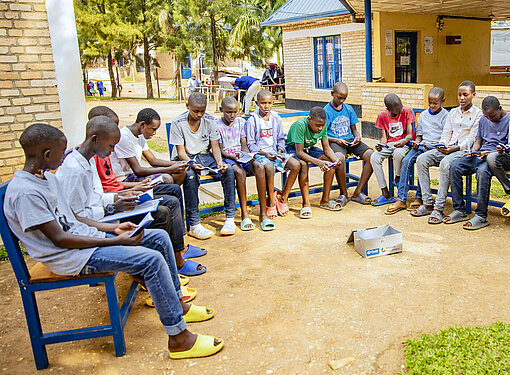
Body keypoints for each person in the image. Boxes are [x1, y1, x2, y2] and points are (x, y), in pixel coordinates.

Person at [4, 123, 224, 360]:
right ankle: (178, 337)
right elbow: (60, 238)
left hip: (87, 240)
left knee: (158, 238)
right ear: (47, 155)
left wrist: (113, 228)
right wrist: (115, 241)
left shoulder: (47, 179)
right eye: (61, 152)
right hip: (70, 256)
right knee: (150, 261)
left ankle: (178, 306)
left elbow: (74, 217)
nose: (64, 156)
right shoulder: (26, 191)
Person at [56, 115, 206, 282]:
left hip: (107, 212)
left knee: (170, 200)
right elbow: (77, 217)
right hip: (98, 226)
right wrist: (113, 207)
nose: (113, 151)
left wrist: (120, 196)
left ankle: (174, 256)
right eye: (111, 145)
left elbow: (96, 196)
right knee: (162, 212)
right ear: (95, 139)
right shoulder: (74, 171)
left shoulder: (88, 160)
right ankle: (165, 268)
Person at [170, 92, 237, 239]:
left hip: (206, 157)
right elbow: (180, 152)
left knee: (228, 170)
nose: (199, 114)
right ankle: (194, 224)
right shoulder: (178, 123)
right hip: (187, 158)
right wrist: (192, 164)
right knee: (190, 177)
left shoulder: (209, 120)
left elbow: (215, 147)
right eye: (195, 111)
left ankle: (230, 218)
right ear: (187, 106)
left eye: (202, 110)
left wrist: (220, 162)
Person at [416, 81, 483, 224]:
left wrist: (455, 148)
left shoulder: (478, 114)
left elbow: (472, 138)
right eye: (459, 95)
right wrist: (443, 145)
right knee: (421, 159)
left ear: (473, 95)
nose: (462, 98)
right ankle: (427, 203)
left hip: (462, 151)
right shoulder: (453, 112)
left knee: (445, 163)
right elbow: (446, 133)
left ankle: (438, 208)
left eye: (465, 95)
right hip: (448, 147)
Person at [444, 96, 509, 229]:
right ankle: (459, 210)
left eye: (492, 116)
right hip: (482, 154)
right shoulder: (483, 119)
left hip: (501, 156)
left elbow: (508, 147)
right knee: (456, 165)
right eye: (487, 116)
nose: (489, 119)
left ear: (500, 108)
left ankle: (481, 216)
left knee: (483, 170)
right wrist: (472, 152)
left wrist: (495, 152)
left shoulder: (509, 119)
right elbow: (478, 142)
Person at [386, 87, 449, 215]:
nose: (431, 106)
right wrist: (417, 143)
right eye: (429, 102)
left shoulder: (446, 116)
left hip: (437, 148)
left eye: (435, 103)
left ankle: (419, 197)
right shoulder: (424, 115)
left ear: (443, 101)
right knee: (406, 160)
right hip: (422, 146)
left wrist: (433, 145)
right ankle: (401, 199)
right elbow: (419, 136)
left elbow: (446, 137)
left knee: (422, 161)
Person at [246, 89, 302, 221]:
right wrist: (265, 153)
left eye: (270, 103)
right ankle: (270, 201)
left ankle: (282, 198)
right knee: (269, 167)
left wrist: (280, 151)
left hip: (275, 153)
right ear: (257, 103)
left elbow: (280, 139)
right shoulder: (253, 120)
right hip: (260, 154)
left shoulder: (276, 118)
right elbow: (251, 144)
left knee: (296, 165)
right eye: (263, 103)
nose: (267, 106)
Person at [217, 96, 270, 230]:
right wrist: (234, 157)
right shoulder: (217, 125)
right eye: (229, 112)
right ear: (221, 110)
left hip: (241, 155)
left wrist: (247, 156)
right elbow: (221, 149)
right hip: (228, 157)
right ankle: (244, 215)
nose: (232, 115)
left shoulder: (240, 122)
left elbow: (244, 144)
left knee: (258, 166)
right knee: (240, 172)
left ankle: (263, 214)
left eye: (235, 112)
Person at [285, 107, 343, 217]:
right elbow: (299, 153)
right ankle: (306, 204)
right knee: (303, 165)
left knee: (330, 162)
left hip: (309, 148)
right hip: (293, 148)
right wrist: (319, 163)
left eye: (322, 125)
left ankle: (325, 200)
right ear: (309, 119)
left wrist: (335, 159)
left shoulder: (323, 125)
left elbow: (326, 148)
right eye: (317, 125)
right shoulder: (300, 125)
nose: (320, 128)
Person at [110, 108, 187, 185]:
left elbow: (153, 160)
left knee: (180, 174)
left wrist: (177, 163)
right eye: (153, 129)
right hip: (124, 178)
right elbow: (138, 170)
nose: (154, 133)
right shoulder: (124, 137)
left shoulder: (140, 136)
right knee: (166, 178)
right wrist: (169, 169)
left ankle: (171, 192)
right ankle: (168, 193)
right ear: (143, 125)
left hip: (133, 174)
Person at [325, 82, 374, 205]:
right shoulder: (326, 111)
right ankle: (343, 193)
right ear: (332, 94)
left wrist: (357, 136)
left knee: (372, 156)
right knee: (339, 159)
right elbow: (323, 135)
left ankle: (358, 192)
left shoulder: (348, 109)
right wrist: (336, 140)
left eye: (344, 98)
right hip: (335, 141)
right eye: (339, 97)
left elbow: (354, 130)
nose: (341, 101)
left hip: (350, 141)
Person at [370, 93, 416, 206]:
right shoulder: (382, 115)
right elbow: (383, 138)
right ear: (389, 109)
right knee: (374, 157)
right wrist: (381, 145)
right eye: (397, 108)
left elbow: (410, 135)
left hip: (404, 143)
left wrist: (404, 141)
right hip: (390, 144)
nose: (401, 109)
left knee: (398, 153)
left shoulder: (407, 111)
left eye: (401, 106)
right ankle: (385, 191)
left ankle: (398, 176)